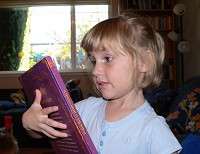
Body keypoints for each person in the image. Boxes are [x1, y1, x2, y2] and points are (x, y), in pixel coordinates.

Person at [22, 15, 182, 154]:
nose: (95, 70)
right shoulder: (84, 109)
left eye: (107, 59)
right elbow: (47, 130)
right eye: (93, 60)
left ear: (144, 62)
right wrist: (31, 125)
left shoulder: (153, 129)